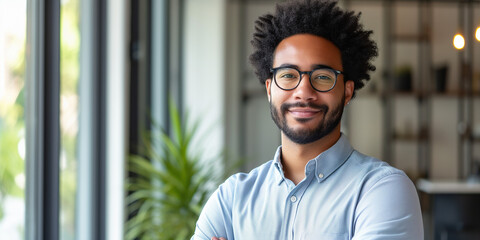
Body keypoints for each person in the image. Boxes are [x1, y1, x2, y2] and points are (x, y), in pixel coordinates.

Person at [192, 0, 423, 239]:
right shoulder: (231, 198)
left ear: (346, 91)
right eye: (288, 75)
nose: (303, 92)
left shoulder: (383, 190)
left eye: (322, 77)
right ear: (269, 89)